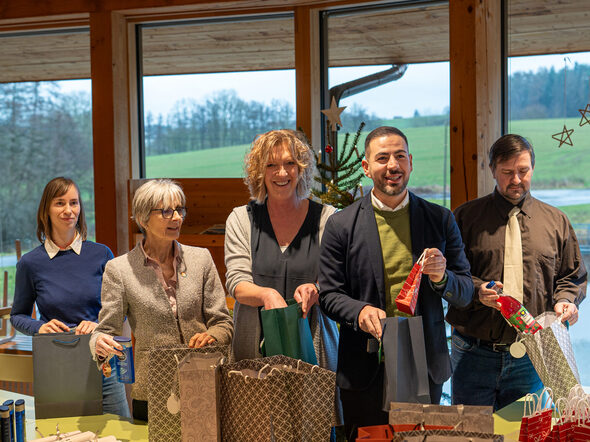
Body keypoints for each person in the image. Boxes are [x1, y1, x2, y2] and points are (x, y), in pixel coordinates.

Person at [318, 126, 474, 440]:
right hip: (364, 366)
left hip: (424, 363)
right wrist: (360, 312)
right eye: (383, 158)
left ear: (411, 162)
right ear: (366, 167)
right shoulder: (340, 225)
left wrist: (443, 278)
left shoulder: (439, 219)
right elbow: (329, 294)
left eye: (400, 156)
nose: (393, 165)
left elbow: (466, 291)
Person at [447, 134, 587, 410]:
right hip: (473, 353)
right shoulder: (464, 218)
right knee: (473, 436)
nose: (516, 180)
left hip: (534, 355)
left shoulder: (556, 221)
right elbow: (450, 275)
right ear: (492, 170)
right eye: (507, 172)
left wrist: (566, 300)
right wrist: (477, 290)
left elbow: (572, 275)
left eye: (523, 171)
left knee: (524, 433)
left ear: (532, 168)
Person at [90, 179, 233, 421]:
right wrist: (99, 343)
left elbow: (223, 322)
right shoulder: (119, 269)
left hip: (206, 380)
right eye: (166, 211)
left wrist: (213, 336)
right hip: (152, 392)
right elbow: (105, 330)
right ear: (143, 218)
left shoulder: (201, 259)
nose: (176, 217)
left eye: (180, 210)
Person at [10, 176, 130, 417]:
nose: (68, 210)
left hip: (104, 360)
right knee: (61, 433)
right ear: (46, 210)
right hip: (57, 363)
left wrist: (99, 324)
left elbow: (123, 309)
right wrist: (39, 327)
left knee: (117, 432)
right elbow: (17, 315)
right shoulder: (30, 264)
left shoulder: (102, 254)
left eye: (74, 203)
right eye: (60, 203)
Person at [224, 129, 339, 370]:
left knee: (314, 409)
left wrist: (316, 288)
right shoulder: (241, 219)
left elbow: (337, 279)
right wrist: (267, 295)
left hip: (314, 348)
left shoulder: (327, 218)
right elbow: (236, 282)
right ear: (259, 172)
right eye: (271, 165)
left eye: (290, 163)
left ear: (302, 168)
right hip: (253, 351)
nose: (282, 173)